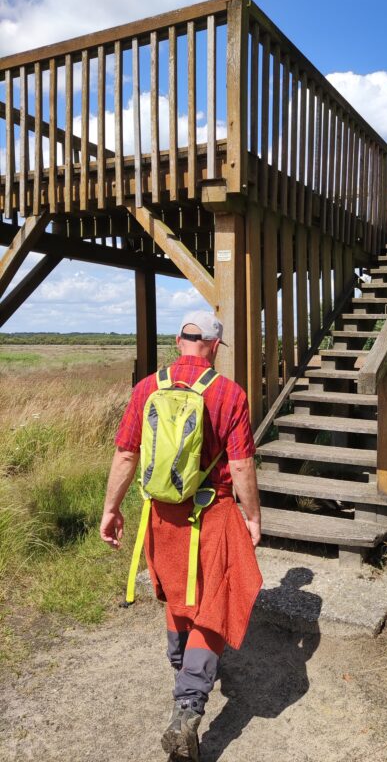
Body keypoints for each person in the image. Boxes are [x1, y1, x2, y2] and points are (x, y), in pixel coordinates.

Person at [100, 310, 262, 761]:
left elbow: (126, 455)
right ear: (215, 346)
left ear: (179, 341)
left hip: (161, 517)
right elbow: (244, 465)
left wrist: (111, 509)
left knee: (177, 596)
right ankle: (187, 708)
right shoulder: (229, 393)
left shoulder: (147, 387)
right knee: (213, 605)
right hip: (213, 514)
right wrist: (253, 517)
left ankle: (182, 667)